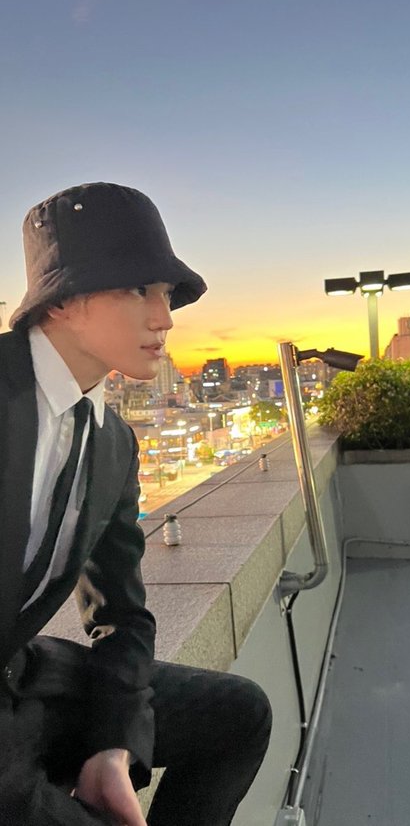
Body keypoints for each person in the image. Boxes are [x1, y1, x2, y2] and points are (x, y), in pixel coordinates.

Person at [0, 182, 272, 825]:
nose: (165, 317)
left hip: (22, 678)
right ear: (61, 300)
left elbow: (121, 613)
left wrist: (114, 742)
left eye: (166, 294)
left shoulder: (113, 442)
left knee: (238, 714)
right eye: (136, 289)